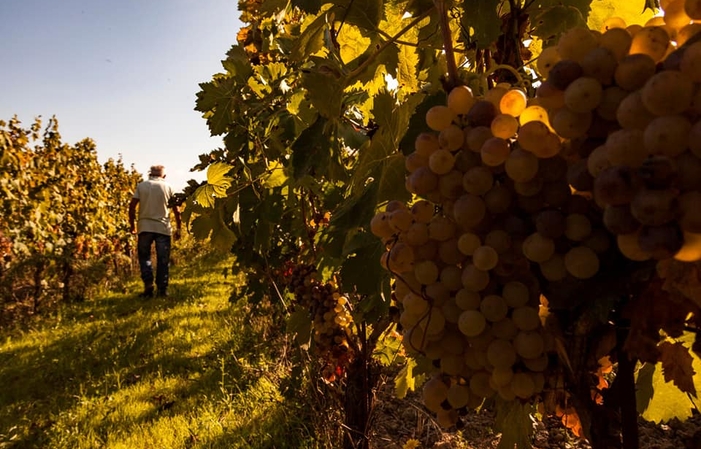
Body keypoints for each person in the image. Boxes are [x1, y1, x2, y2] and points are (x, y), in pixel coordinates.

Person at [128, 165, 181, 298]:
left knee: (144, 257)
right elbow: (176, 210)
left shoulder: (142, 186)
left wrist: (132, 225)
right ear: (164, 176)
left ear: (150, 174)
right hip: (163, 228)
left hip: (145, 227)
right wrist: (179, 227)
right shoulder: (168, 187)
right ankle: (162, 290)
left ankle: (148, 285)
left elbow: (132, 206)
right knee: (163, 259)